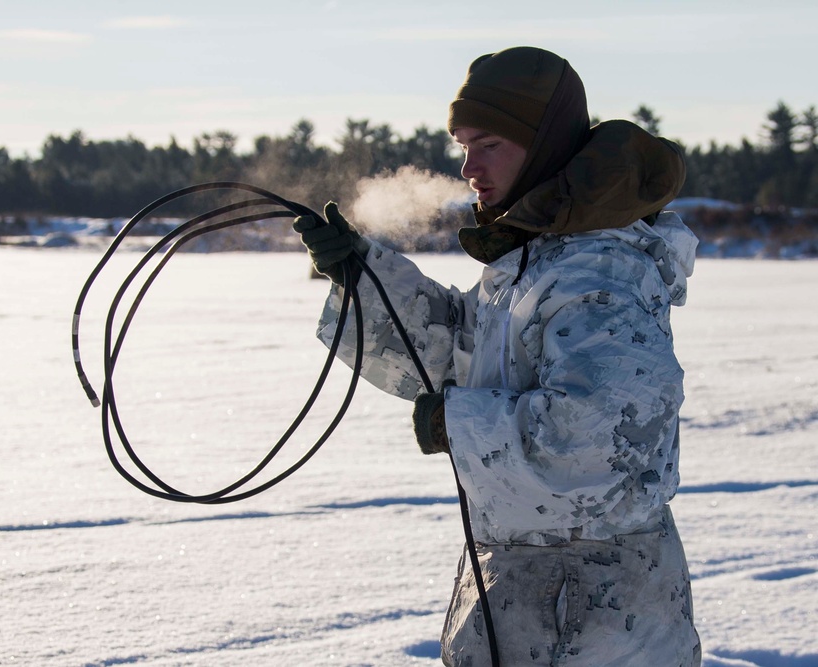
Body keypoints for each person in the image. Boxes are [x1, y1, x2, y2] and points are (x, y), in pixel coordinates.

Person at [294, 46, 701, 666]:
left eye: (488, 144)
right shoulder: (538, 259)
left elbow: (599, 439)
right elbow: (466, 352)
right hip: (537, 600)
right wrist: (363, 275)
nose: (467, 166)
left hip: (593, 621)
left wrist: (456, 423)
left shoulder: (599, 269)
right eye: (462, 144)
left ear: (542, 145)